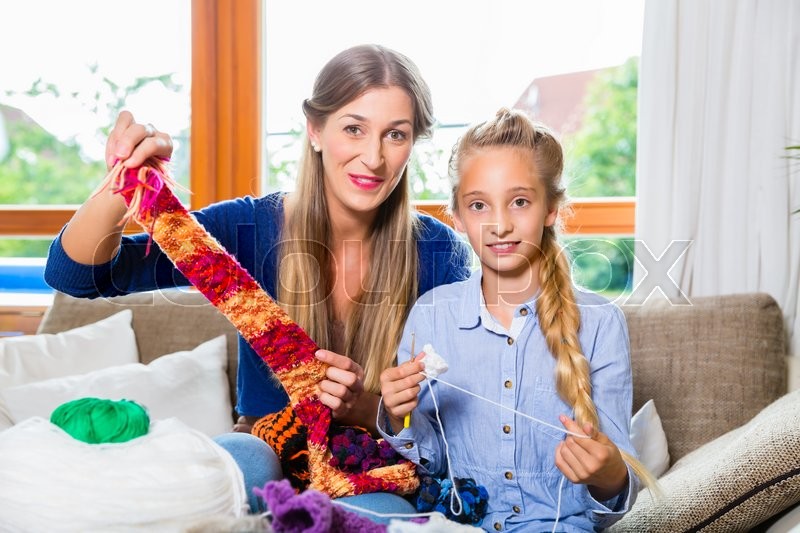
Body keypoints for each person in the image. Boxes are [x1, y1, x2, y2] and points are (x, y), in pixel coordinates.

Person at [44, 44, 471, 516]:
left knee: (388, 517)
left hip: (370, 466)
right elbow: (76, 276)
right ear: (315, 130)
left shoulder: (438, 251)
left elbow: (457, 421)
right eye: (354, 128)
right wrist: (127, 178)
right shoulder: (248, 227)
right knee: (238, 462)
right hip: (264, 449)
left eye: (395, 135)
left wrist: (366, 409)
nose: (373, 157)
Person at [378, 108, 654, 531]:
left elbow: (618, 489)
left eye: (520, 202)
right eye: (479, 205)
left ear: (551, 208)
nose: (501, 225)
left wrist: (607, 470)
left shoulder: (600, 323)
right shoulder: (432, 315)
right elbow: (430, 464)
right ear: (457, 216)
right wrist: (399, 417)